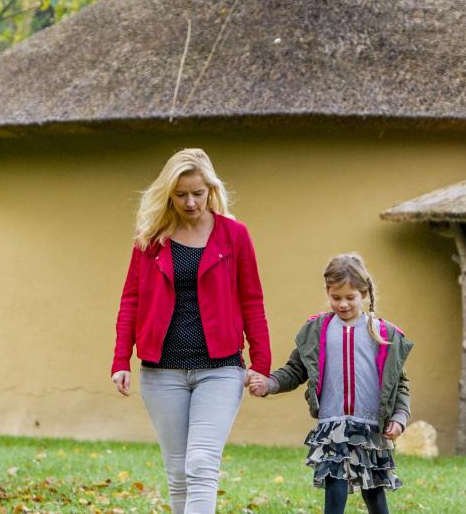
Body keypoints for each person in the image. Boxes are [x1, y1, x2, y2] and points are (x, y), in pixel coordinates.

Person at [110, 148, 273, 514]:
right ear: (169, 193)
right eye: (181, 194)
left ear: (210, 190)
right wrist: (121, 358)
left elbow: (252, 300)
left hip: (220, 369)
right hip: (161, 371)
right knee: (179, 472)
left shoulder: (234, 235)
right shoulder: (150, 238)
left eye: (198, 193)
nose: (190, 202)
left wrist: (261, 362)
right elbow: (131, 300)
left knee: (200, 463)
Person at [250, 253, 412, 514]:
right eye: (336, 297)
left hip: (370, 425)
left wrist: (400, 416)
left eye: (350, 297)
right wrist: (270, 384)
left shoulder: (383, 334)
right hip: (333, 423)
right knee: (334, 486)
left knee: (374, 493)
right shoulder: (316, 331)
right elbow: (295, 369)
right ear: (327, 292)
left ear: (364, 294)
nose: (343, 304)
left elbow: (399, 383)